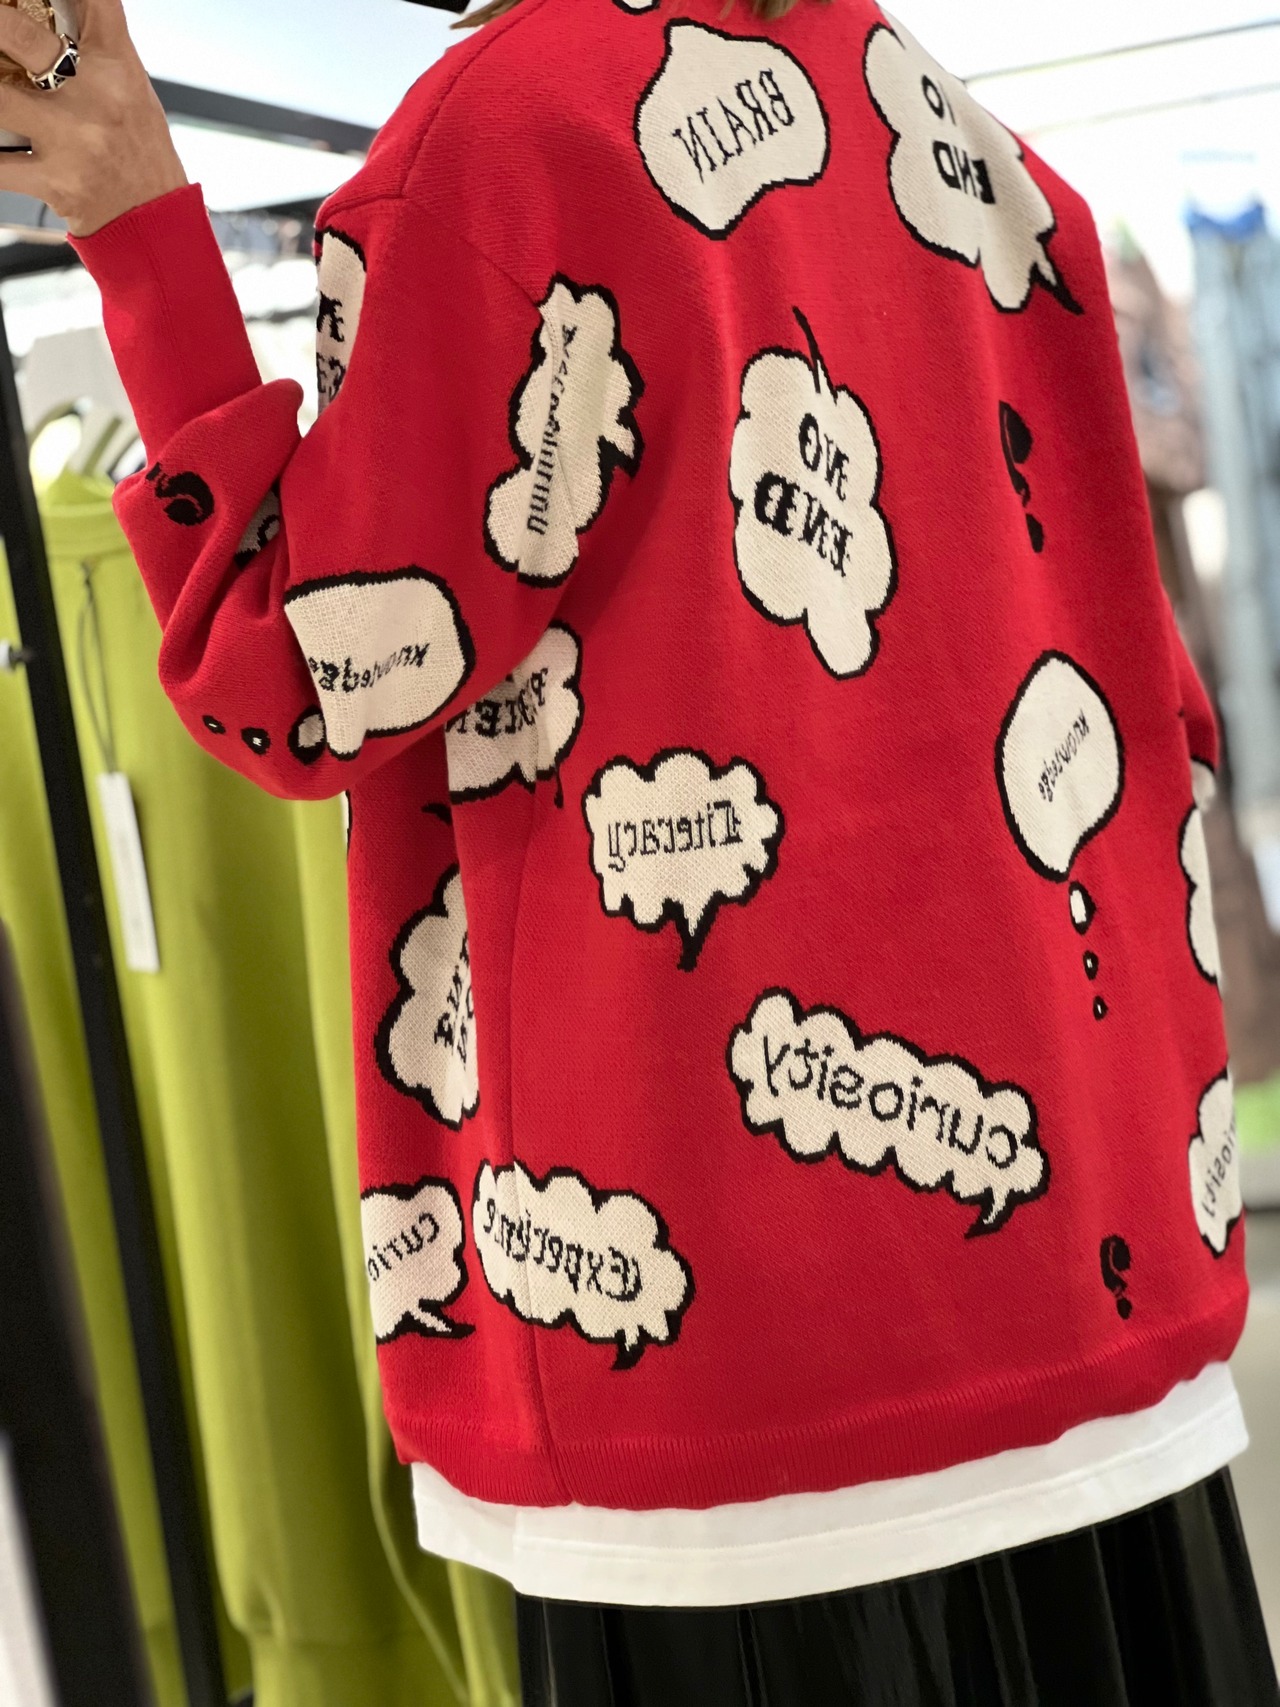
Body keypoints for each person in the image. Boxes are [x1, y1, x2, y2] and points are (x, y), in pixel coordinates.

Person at [2, 0, 1277, 1701]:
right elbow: (1150, 717)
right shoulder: (988, 161)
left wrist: (145, 236)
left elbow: (304, 679)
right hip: (1102, 1331)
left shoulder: (499, 137)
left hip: (721, 1405)